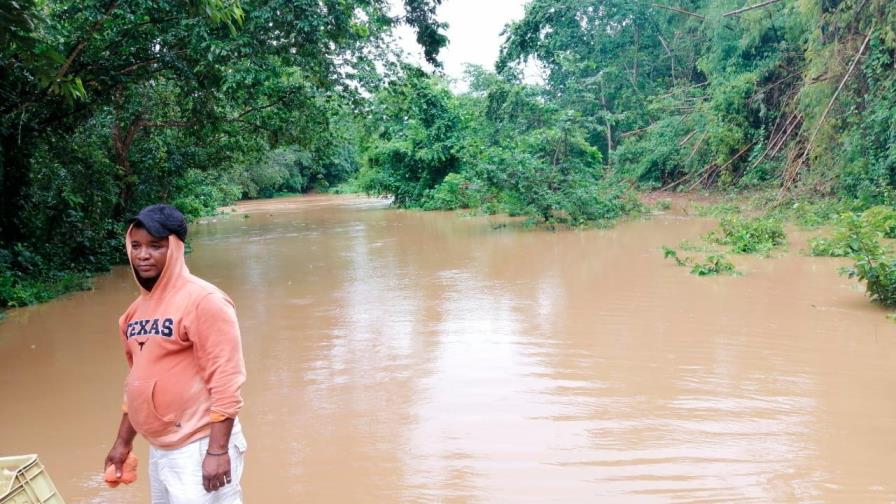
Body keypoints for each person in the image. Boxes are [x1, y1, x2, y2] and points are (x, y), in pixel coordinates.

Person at [104, 204, 247, 503]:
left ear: (176, 249)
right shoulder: (133, 313)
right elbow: (137, 384)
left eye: (155, 246)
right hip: (161, 447)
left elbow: (226, 379)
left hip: (200, 445)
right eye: (136, 246)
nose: (143, 255)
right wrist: (122, 443)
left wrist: (218, 451)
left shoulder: (204, 301)